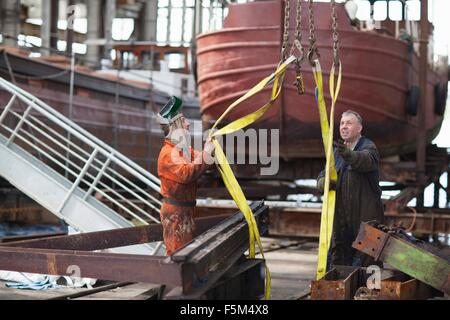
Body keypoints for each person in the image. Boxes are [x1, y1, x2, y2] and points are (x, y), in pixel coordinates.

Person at [317, 110, 384, 269]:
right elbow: (325, 172)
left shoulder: (369, 147)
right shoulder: (337, 151)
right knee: (338, 264)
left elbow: (365, 161)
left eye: (349, 123)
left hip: (366, 223)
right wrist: (321, 182)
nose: (344, 127)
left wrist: (348, 154)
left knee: (368, 268)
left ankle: (369, 293)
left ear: (359, 128)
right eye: (342, 123)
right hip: (341, 223)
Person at [156, 96, 215, 256]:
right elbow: (187, 173)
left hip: (184, 211)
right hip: (176, 213)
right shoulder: (168, 154)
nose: (188, 124)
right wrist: (207, 153)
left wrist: (211, 150)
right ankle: (175, 281)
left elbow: (202, 160)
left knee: (186, 253)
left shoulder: (182, 150)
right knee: (178, 255)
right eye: (183, 122)